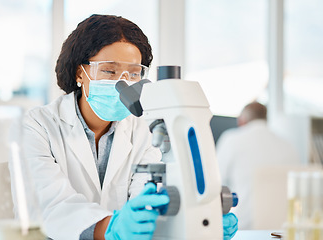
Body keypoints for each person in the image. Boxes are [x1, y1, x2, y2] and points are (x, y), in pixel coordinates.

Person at [18, 14, 238, 240]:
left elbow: (149, 199)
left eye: (133, 73)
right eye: (109, 71)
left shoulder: (145, 128)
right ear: (79, 73)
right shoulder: (38, 125)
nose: (122, 82)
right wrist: (112, 228)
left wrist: (194, 217)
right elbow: (49, 202)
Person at [216, 101, 300, 230]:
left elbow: (215, 181)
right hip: (285, 229)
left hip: (245, 228)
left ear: (242, 121)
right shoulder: (289, 145)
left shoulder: (231, 139)